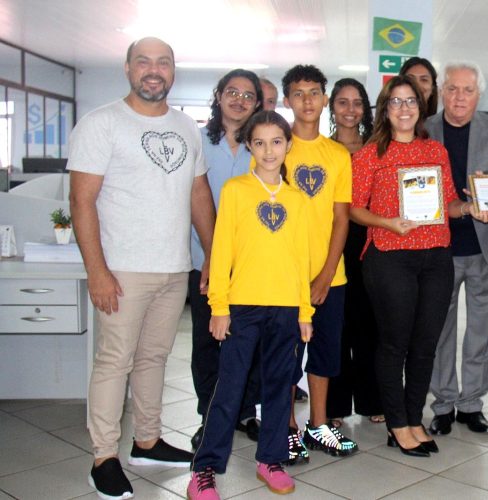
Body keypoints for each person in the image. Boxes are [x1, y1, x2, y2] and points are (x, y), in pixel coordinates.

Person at [68, 37, 215, 500]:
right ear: (128, 69)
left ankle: (147, 441)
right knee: (115, 362)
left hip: (173, 267)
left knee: (154, 357)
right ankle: (103, 458)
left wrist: (212, 254)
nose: (154, 70)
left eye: (164, 63)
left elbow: (198, 196)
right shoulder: (102, 124)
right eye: (144, 62)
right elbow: (81, 201)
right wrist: (97, 271)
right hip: (122, 270)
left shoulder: (187, 127)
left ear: (173, 71)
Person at [188, 110, 314, 500]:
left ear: (288, 145)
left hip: (285, 309)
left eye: (276, 141)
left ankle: (270, 460)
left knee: (280, 387)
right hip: (242, 307)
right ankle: (205, 469)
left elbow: (301, 260)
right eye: (259, 142)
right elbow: (222, 250)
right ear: (249, 147)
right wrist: (219, 306)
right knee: (230, 389)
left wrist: (305, 313)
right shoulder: (237, 191)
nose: (269, 150)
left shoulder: (296, 198)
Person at [350, 74, 475, 457]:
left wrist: (470, 206)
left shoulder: (436, 151)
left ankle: (413, 418)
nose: (404, 109)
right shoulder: (370, 154)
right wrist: (388, 222)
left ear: (421, 109)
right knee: (394, 343)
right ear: (384, 110)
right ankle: (396, 424)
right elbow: (355, 210)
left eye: (411, 102)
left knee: (425, 345)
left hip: (437, 256)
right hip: (390, 256)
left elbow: (449, 204)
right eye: (395, 102)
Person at [424, 61, 488, 435]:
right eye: (452, 88)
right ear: (441, 92)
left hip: (485, 247)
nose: (459, 97)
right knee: (439, 332)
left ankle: (471, 404)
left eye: (468, 90)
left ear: (479, 94)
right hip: (437, 248)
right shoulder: (423, 130)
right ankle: (443, 404)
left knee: (481, 331)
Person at [280, 64, 358, 461]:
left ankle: (319, 424)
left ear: (324, 99)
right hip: (282, 278)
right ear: (287, 100)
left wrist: (327, 274)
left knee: (326, 353)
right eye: (299, 93)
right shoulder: (275, 147)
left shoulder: (337, 154)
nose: (307, 100)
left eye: (314, 93)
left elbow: (341, 218)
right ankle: (288, 428)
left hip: (331, 274)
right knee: (287, 355)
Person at [189, 68, 264, 450]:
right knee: (207, 343)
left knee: (247, 342)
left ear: (258, 103)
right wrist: (211, 256)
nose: (239, 100)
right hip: (203, 261)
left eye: (248, 95)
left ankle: (247, 411)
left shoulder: (264, 145)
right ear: (218, 96)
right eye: (231, 92)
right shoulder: (196, 141)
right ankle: (209, 415)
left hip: (253, 266)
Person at [325, 77, 386, 426]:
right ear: (332, 107)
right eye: (342, 102)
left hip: (369, 243)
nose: (350, 109)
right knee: (336, 327)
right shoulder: (323, 148)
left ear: (365, 108)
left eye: (357, 102)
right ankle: (333, 408)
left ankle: (372, 400)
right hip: (333, 243)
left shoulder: (376, 148)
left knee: (370, 326)